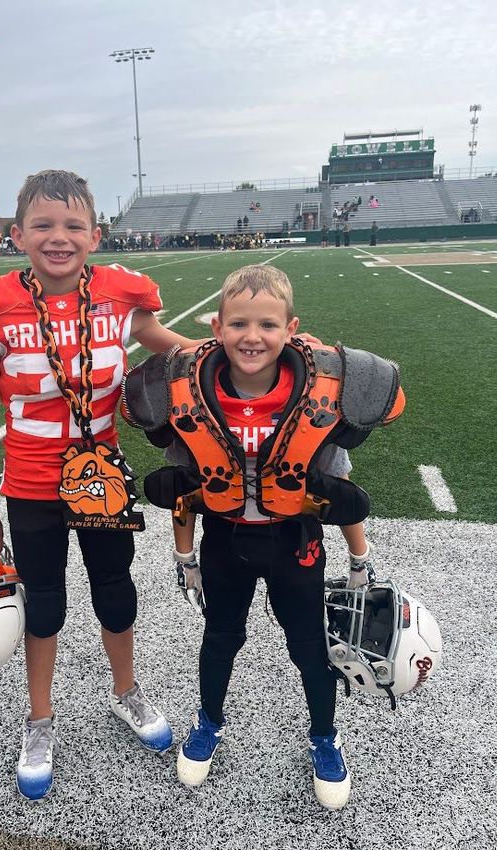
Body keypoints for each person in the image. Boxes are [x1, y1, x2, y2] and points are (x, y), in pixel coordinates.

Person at [0, 169, 204, 802]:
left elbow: (179, 350)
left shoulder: (120, 296)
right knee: (47, 602)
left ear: (95, 234)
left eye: (72, 226)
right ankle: (40, 719)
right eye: (42, 225)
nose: (57, 237)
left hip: (101, 480)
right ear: (18, 235)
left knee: (115, 592)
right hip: (31, 482)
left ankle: (126, 691)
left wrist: (247, 345)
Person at [122, 264, 404, 810]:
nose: (253, 337)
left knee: (308, 645)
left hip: (295, 542)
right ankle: (209, 724)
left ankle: (325, 736)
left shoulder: (322, 393)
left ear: (291, 328)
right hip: (225, 542)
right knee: (220, 638)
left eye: (269, 326)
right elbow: (185, 489)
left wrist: (360, 556)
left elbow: (338, 483)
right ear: (217, 326)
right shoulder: (187, 395)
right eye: (240, 324)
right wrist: (185, 556)